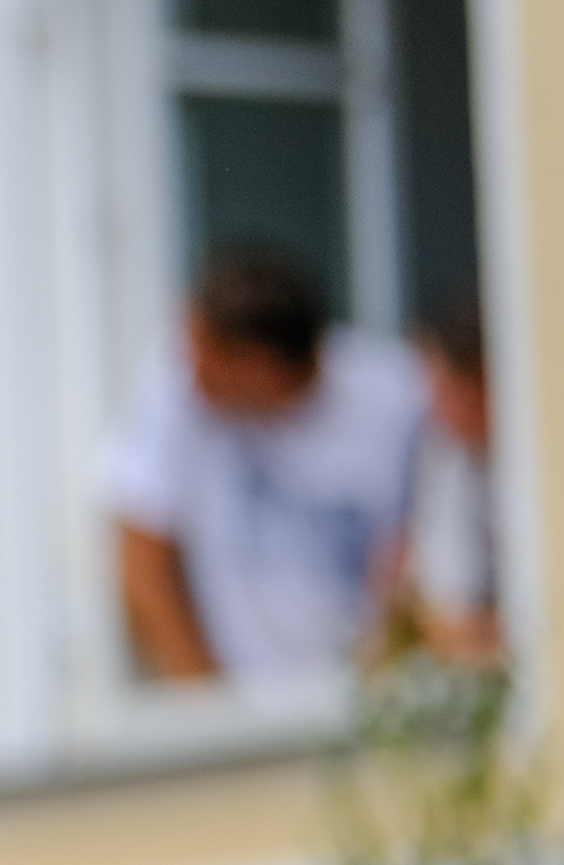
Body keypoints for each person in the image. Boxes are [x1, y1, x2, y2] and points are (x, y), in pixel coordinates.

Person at [101, 244, 424, 687]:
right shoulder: (178, 392)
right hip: (248, 709)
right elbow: (141, 554)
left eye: (204, 359)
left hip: (375, 697)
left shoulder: (402, 399)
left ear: (261, 366)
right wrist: (207, 703)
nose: (190, 372)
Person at [387, 289, 499, 665]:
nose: (430, 402)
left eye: (438, 382)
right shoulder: (450, 458)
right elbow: (440, 602)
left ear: (483, 378)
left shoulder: (545, 466)